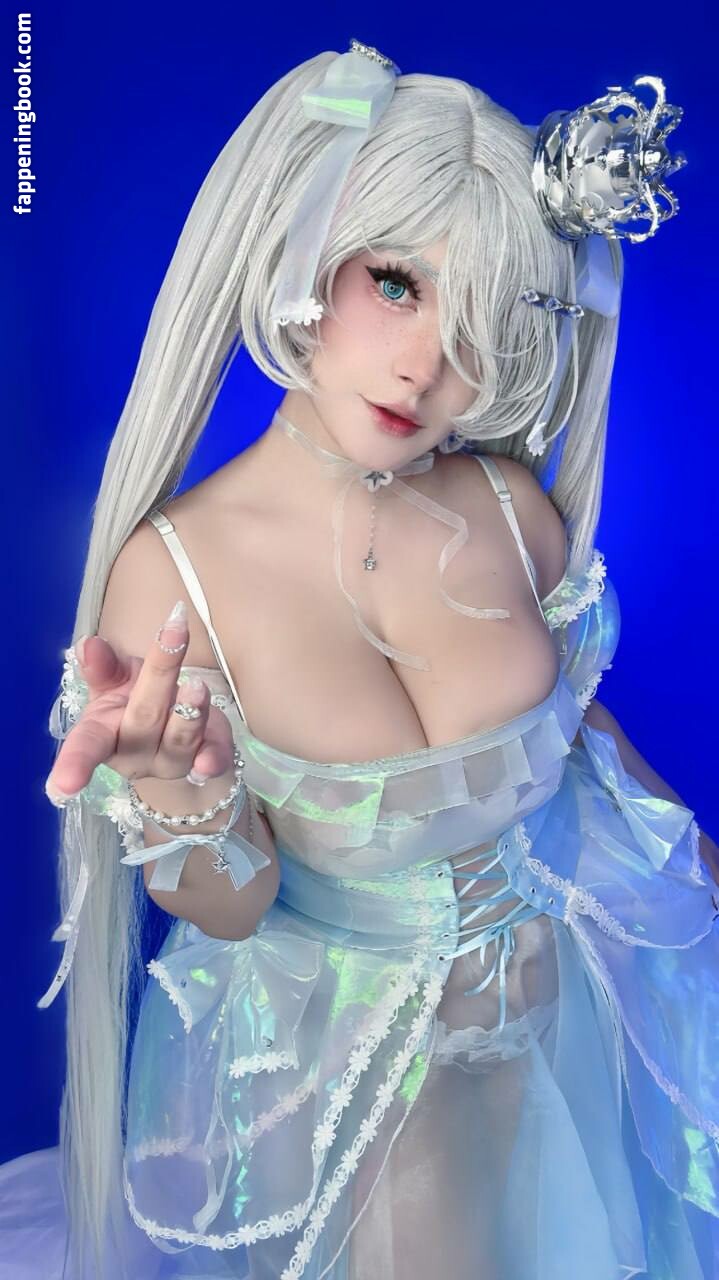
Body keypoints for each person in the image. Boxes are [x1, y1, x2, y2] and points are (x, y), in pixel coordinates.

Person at [3, 37, 719, 1280]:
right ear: (306, 252)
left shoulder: (510, 511)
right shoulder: (176, 574)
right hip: (362, 1096)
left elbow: (583, 754)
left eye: (481, 320)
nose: (425, 364)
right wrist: (176, 792)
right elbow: (232, 905)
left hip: (584, 1036)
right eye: (394, 282)